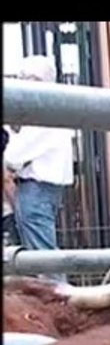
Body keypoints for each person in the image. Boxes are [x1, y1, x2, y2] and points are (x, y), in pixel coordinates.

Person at [4, 56, 75, 252]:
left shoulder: (45, 114)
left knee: (42, 255)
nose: (23, 82)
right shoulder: (52, 111)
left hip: (37, 189)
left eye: (29, 78)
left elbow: (13, 155)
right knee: (39, 254)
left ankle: (56, 283)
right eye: (21, 77)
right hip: (38, 189)